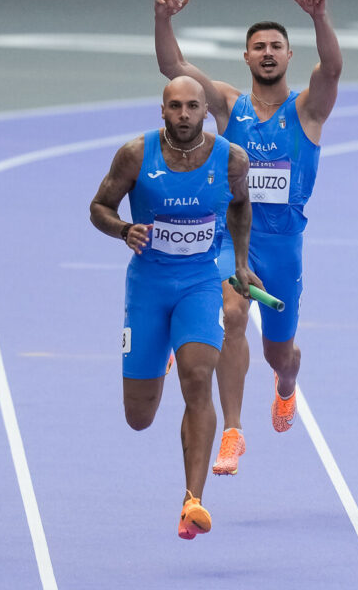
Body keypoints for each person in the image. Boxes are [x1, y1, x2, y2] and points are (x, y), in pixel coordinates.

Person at [154, 0, 342, 476]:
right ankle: (233, 432)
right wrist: (163, 18)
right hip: (232, 236)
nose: (266, 53)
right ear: (245, 56)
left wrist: (319, 17)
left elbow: (334, 68)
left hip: (283, 247)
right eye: (257, 46)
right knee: (231, 315)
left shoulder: (308, 111)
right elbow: (173, 67)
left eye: (276, 46)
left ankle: (286, 383)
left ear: (288, 56)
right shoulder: (226, 105)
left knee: (280, 352)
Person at [89, 76, 258, 538]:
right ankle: (158, 351)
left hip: (200, 284)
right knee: (139, 417)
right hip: (148, 285)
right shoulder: (135, 155)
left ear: (206, 111)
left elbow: (241, 209)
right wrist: (124, 229)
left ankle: (193, 502)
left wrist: (240, 264)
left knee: (199, 379)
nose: (183, 114)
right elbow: (98, 206)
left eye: (192, 107)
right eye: (175, 106)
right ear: (162, 111)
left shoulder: (231, 159)